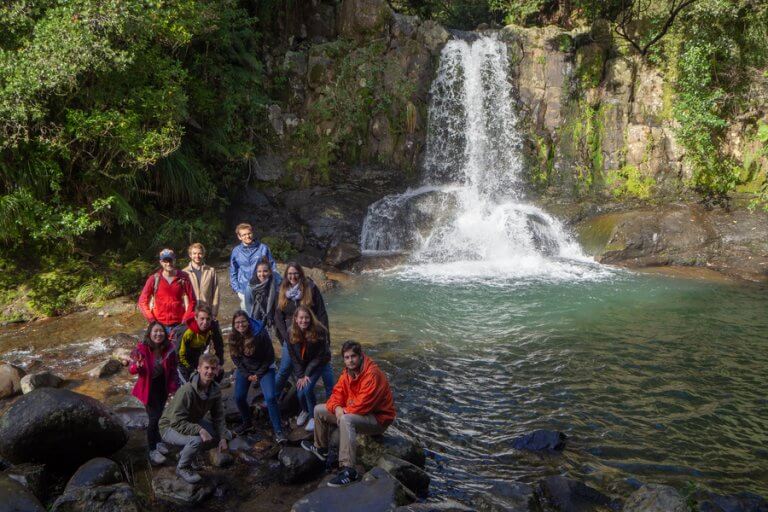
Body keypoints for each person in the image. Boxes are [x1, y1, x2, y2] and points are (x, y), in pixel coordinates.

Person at [302, 341, 396, 487]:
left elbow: (364, 405)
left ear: (360, 356)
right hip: (357, 412)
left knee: (346, 420)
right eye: (347, 357)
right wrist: (337, 407)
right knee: (319, 410)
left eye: (353, 356)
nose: (350, 360)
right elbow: (336, 395)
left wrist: (343, 411)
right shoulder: (347, 373)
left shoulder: (372, 374)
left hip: (378, 419)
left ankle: (349, 470)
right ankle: (321, 449)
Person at [274, 262, 333, 427]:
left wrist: (325, 336)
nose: (293, 277)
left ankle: (331, 408)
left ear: (300, 273)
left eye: (296, 273)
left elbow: (321, 312)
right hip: (293, 336)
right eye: (290, 274)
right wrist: (285, 337)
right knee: (285, 369)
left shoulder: (310, 288)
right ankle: (273, 398)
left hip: (313, 333)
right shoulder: (282, 290)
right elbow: (277, 316)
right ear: (286, 275)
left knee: (325, 370)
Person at [159, 353, 228, 484]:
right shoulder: (187, 391)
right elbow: (176, 421)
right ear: (199, 368)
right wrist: (199, 430)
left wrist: (223, 437)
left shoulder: (215, 390)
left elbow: (218, 417)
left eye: (213, 368)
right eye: (206, 368)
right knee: (196, 440)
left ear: (217, 370)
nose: (209, 371)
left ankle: (187, 454)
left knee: (221, 435)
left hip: (191, 421)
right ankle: (182, 467)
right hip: (169, 427)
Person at [229, 310, 287, 444]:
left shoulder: (260, 333)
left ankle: (278, 430)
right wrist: (247, 374)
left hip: (264, 367)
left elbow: (270, 356)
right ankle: (247, 422)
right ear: (233, 324)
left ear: (248, 322)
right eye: (237, 323)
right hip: (246, 369)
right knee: (239, 397)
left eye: (243, 321)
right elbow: (235, 357)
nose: (240, 325)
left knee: (270, 397)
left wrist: (258, 374)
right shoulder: (233, 336)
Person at [129, 321, 180, 466]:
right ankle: (152, 450)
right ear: (150, 334)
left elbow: (173, 368)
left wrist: (173, 386)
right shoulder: (142, 349)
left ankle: (158, 442)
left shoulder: (169, 348)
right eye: (155, 331)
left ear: (165, 333)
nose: (158, 334)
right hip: (148, 388)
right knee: (154, 417)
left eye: (161, 331)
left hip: (162, 386)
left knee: (160, 415)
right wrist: (137, 366)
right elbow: (131, 369)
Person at [287, 306, 333, 432]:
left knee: (308, 389)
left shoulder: (319, 330)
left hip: (320, 362)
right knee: (300, 392)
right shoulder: (290, 331)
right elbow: (293, 355)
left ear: (311, 318)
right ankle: (305, 410)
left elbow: (320, 356)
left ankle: (314, 417)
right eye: (301, 318)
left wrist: (307, 373)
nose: (304, 320)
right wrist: (301, 375)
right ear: (295, 319)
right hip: (304, 365)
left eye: (306, 317)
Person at [138, 248, 196, 334]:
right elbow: (142, 302)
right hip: (158, 324)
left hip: (178, 324)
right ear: (161, 262)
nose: (168, 263)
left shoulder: (183, 278)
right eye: (165, 261)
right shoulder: (154, 279)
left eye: (170, 260)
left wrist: (185, 320)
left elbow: (193, 301)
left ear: (174, 260)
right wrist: (152, 320)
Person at [229, 223, 278, 310]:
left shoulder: (263, 248)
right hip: (244, 289)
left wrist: (274, 285)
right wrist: (237, 289)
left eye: (249, 233)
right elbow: (233, 271)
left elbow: (272, 267)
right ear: (239, 237)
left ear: (252, 233)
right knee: (247, 315)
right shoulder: (236, 251)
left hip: (262, 289)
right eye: (244, 235)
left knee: (264, 314)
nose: (247, 236)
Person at [176, 304, 224, 383]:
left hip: (198, 353)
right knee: (192, 384)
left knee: (219, 373)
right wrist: (192, 370)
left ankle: (212, 389)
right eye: (202, 319)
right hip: (183, 360)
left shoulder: (213, 326)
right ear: (196, 318)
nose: (205, 322)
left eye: (208, 319)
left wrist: (219, 364)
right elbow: (179, 356)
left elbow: (219, 346)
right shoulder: (186, 331)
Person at [183, 243, 220, 320]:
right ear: (190, 255)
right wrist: (185, 314)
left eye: (199, 253)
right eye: (194, 253)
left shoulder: (211, 271)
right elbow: (182, 295)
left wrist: (214, 313)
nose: (197, 256)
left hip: (207, 313)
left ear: (203, 254)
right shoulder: (184, 273)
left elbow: (216, 293)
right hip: (191, 313)